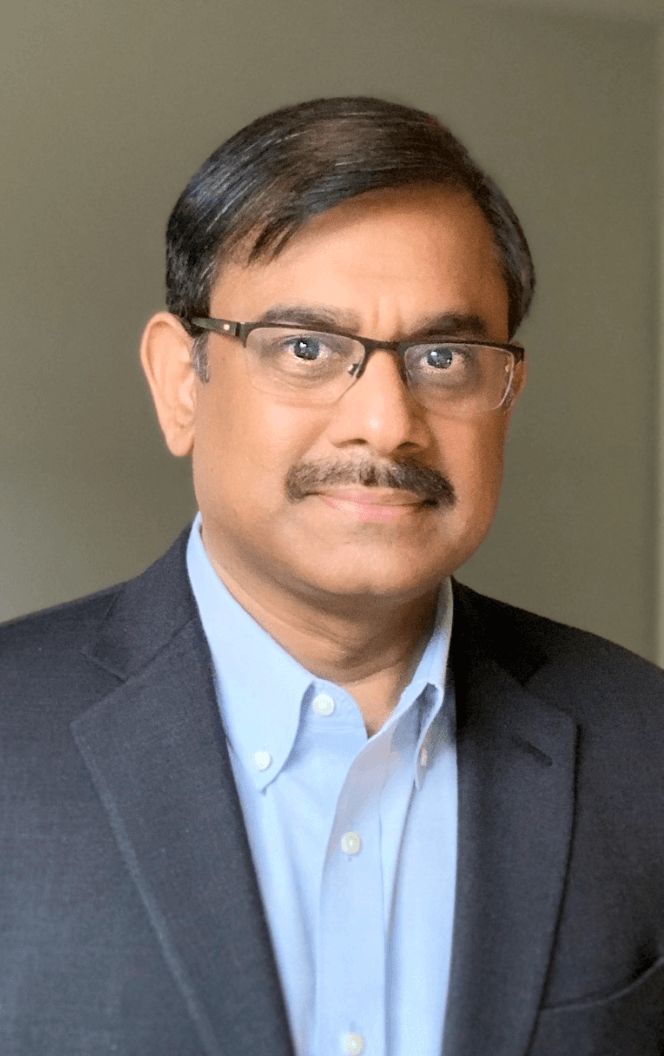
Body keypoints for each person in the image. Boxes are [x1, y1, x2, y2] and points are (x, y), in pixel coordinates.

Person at [1, 96, 663, 1056]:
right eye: (307, 348)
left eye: (443, 356)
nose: (388, 422)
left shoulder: (642, 748)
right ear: (181, 383)